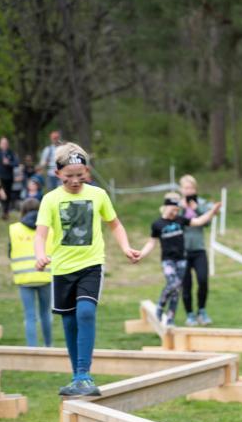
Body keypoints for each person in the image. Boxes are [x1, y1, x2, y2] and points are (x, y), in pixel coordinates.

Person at [34, 142, 141, 397]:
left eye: (80, 176)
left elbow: (115, 225)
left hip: (90, 265)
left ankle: (84, 374)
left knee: (85, 313)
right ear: (57, 173)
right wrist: (40, 255)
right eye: (69, 176)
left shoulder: (98, 195)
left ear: (87, 172)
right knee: (69, 323)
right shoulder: (50, 200)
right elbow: (40, 234)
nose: (74, 181)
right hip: (61, 269)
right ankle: (76, 377)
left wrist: (125, 247)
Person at [137, 192, 189, 326]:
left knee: (176, 290)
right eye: (173, 209)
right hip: (168, 260)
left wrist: (212, 212)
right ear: (166, 207)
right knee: (174, 284)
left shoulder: (180, 220)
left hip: (181, 260)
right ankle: (160, 304)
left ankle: (170, 319)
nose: (175, 212)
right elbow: (151, 242)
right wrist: (141, 254)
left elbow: (198, 221)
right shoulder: (157, 224)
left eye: (177, 209)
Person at [177, 174, 221, 325]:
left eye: (191, 188)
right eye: (185, 188)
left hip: (199, 250)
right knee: (186, 285)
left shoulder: (201, 203)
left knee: (203, 280)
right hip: (182, 252)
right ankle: (190, 314)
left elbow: (207, 223)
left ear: (195, 189)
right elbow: (170, 221)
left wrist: (198, 209)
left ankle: (201, 311)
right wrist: (181, 209)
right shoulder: (176, 204)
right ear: (181, 189)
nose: (188, 191)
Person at [9, 198, 53, 347]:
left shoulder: (14, 229)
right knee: (46, 314)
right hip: (45, 276)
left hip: (24, 278)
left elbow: (10, 252)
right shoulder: (49, 229)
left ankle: (32, 349)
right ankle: (49, 347)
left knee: (30, 316)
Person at [0, 137, 19, 220]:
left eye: (6, 143)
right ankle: (1, 210)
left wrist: (9, 163)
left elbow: (16, 163)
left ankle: (6, 211)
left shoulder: (11, 153)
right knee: (1, 193)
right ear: (0, 144)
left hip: (9, 177)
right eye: (3, 143)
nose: (4, 145)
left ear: (8, 144)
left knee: (8, 194)